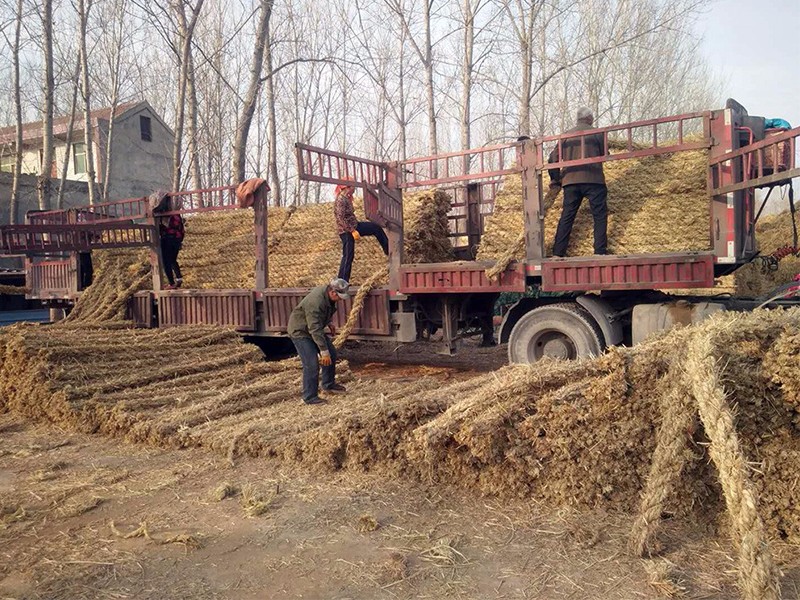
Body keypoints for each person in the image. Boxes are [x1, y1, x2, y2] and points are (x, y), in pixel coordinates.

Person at [549, 107, 608, 257]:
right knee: (599, 215)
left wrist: (556, 179)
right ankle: (600, 251)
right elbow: (605, 154)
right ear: (589, 119)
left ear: (578, 119)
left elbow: (552, 159)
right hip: (594, 179)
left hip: (571, 181)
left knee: (567, 216)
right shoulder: (598, 133)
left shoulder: (565, 135)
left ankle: (558, 252)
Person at [287, 277, 350, 405]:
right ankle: (309, 397)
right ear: (333, 292)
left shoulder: (327, 294)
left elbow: (323, 313)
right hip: (301, 332)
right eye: (339, 297)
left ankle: (328, 385)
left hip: (312, 328)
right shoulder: (316, 302)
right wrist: (323, 351)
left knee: (331, 354)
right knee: (312, 363)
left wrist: (329, 322)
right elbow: (314, 329)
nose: (340, 300)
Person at [334, 181, 389, 282]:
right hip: (346, 231)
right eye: (353, 186)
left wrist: (354, 228)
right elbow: (341, 218)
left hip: (355, 225)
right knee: (348, 256)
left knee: (375, 228)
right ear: (347, 187)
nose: (354, 188)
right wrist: (352, 230)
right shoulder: (341, 200)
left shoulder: (346, 198)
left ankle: (388, 249)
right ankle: (342, 281)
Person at [159, 204, 185, 289]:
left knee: (166, 262)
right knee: (173, 260)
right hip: (177, 239)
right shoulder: (177, 215)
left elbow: (161, 227)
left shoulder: (164, 215)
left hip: (167, 239)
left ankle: (171, 283)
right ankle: (179, 278)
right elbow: (181, 229)